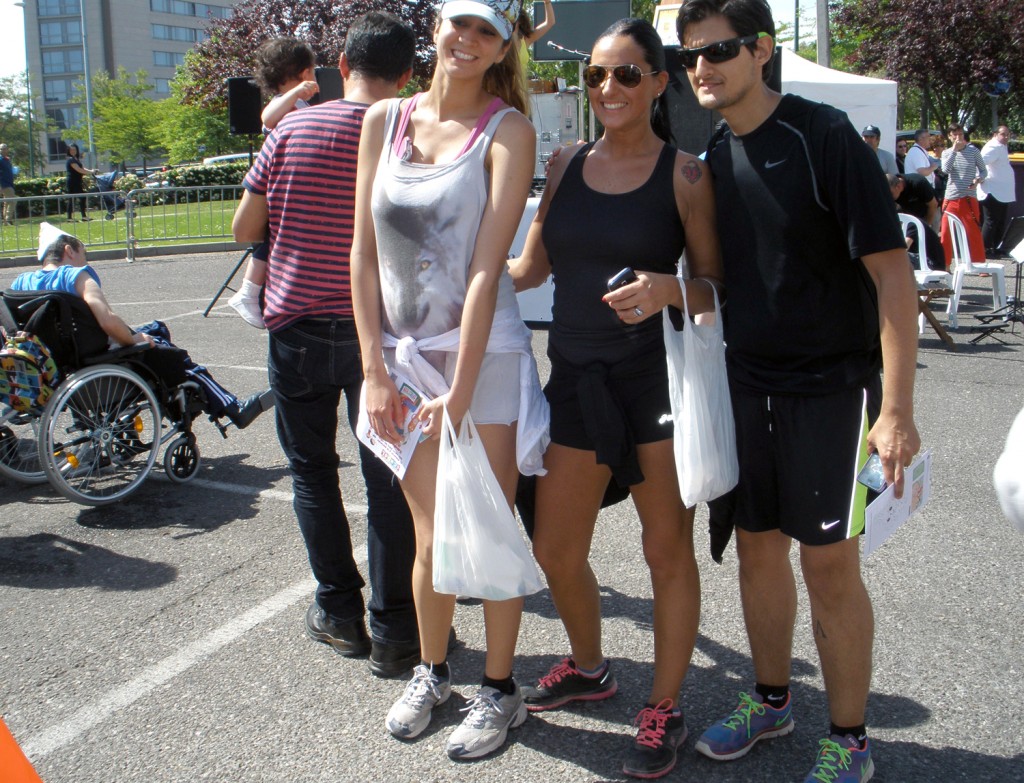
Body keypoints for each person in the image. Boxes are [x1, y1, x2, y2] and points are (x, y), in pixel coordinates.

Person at [675, 2, 921, 782]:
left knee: (829, 566)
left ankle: (849, 738)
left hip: (831, 387)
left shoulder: (823, 137)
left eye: (717, 51)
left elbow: (892, 275)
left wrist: (897, 410)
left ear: (762, 50)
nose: (703, 69)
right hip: (748, 384)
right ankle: (773, 699)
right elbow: (720, 276)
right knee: (756, 552)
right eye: (690, 58)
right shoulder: (713, 147)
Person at [511, 17, 723, 779]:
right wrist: (451, 285)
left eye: (627, 74)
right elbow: (530, 268)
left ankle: (662, 705)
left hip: (654, 386)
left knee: (666, 550)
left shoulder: (686, 175)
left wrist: (669, 287)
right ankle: (592, 665)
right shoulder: (564, 163)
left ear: (660, 82)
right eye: (596, 75)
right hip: (574, 380)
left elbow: (714, 288)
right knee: (554, 548)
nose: (608, 89)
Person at [351, 0, 546, 761]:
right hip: (400, 362)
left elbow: (486, 270)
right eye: (457, 22)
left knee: (489, 526)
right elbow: (362, 253)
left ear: (503, 48)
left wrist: (460, 389)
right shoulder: (383, 121)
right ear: (433, 28)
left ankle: (502, 688)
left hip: (482, 358)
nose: (467, 40)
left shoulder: (509, 131)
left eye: (486, 31)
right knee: (429, 532)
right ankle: (434, 672)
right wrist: (372, 368)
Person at [231, 13, 425, 681]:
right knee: (388, 479)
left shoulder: (290, 130)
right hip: (382, 334)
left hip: (298, 328)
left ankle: (340, 612)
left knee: (312, 473)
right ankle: (397, 628)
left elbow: (243, 226)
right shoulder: (407, 133)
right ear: (407, 76)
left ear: (341, 64)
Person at [11, 223, 269, 428]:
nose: (84, 261)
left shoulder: (21, 283)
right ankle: (232, 408)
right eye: (82, 254)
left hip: (56, 360)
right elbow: (107, 319)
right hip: (92, 355)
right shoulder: (74, 275)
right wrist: (134, 339)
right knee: (170, 353)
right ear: (68, 250)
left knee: (156, 328)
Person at [228, 37, 319, 330]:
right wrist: (295, 93)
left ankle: (254, 291)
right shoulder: (283, 103)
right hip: (278, 187)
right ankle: (248, 291)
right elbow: (266, 117)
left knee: (273, 242)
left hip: (287, 185)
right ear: (304, 72)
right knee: (268, 241)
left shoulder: (300, 103)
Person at [939, 123, 986, 268]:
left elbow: (984, 171)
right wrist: (954, 150)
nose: (958, 137)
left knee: (973, 231)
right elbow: (945, 170)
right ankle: (945, 264)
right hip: (951, 197)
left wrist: (978, 180)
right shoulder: (946, 152)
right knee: (946, 233)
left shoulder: (973, 152)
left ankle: (979, 264)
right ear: (950, 136)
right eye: (955, 135)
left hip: (969, 197)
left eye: (960, 134)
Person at [887, 174, 944, 271]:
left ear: (899, 186)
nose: (889, 197)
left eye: (890, 194)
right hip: (910, 214)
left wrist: (925, 226)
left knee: (927, 241)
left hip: (930, 211)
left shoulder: (917, 183)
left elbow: (933, 204)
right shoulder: (893, 186)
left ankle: (934, 268)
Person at [978, 125, 1016, 257]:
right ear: (995, 134)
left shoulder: (1001, 146)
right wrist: (979, 178)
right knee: (991, 221)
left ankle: (994, 247)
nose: (1005, 137)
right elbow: (980, 162)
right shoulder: (993, 146)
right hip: (992, 190)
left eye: (1007, 134)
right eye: (1003, 134)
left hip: (1001, 191)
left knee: (999, 220)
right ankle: (984, 250)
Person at [65, 144, 96, 222]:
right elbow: (78, 170)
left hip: (77, 181)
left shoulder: (76, 159)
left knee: (82, 197)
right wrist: (89, 172)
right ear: (69, 151)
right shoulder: (70, 159)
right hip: (72, 182)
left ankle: (83, 216)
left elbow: (82, 168)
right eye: (71, 150)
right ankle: (70, 218)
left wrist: (91, 171)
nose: (73, 151)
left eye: (74, 150)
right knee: (72, 199)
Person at [0, 144, 15, 225]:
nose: (3, 150)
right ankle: (8, 220)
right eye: (1, 149)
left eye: (4, 149)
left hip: (9, 183)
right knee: (12, 200)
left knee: (7, 202)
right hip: (4, 183)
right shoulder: (0, 159)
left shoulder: (7, 160)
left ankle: (6, 221)